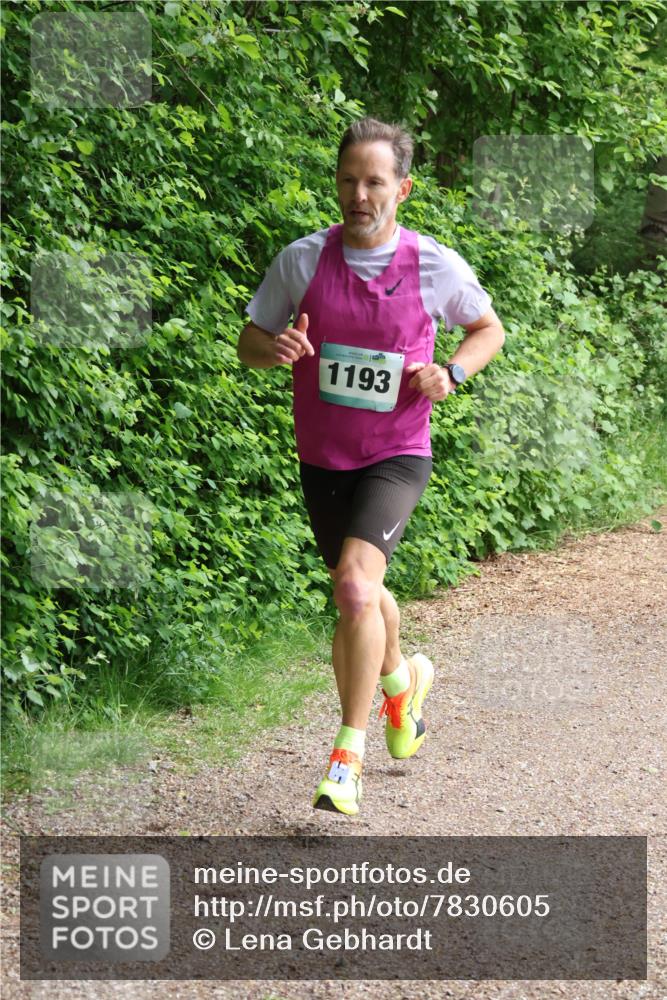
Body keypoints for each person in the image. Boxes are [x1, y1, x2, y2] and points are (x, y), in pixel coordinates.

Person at [237, 116, 505, 816]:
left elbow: (487, 330)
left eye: (374, 182)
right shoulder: (301, 261)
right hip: (322, 456)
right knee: (359, 587)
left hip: (396, 453)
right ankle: (401, 685)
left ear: (402, 189)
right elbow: (249, 341)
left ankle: (345, 758)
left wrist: (451, 371)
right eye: (348, 180)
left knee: (354, 590)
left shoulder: (431, 265)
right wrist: (277, 352)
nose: (359, 194)